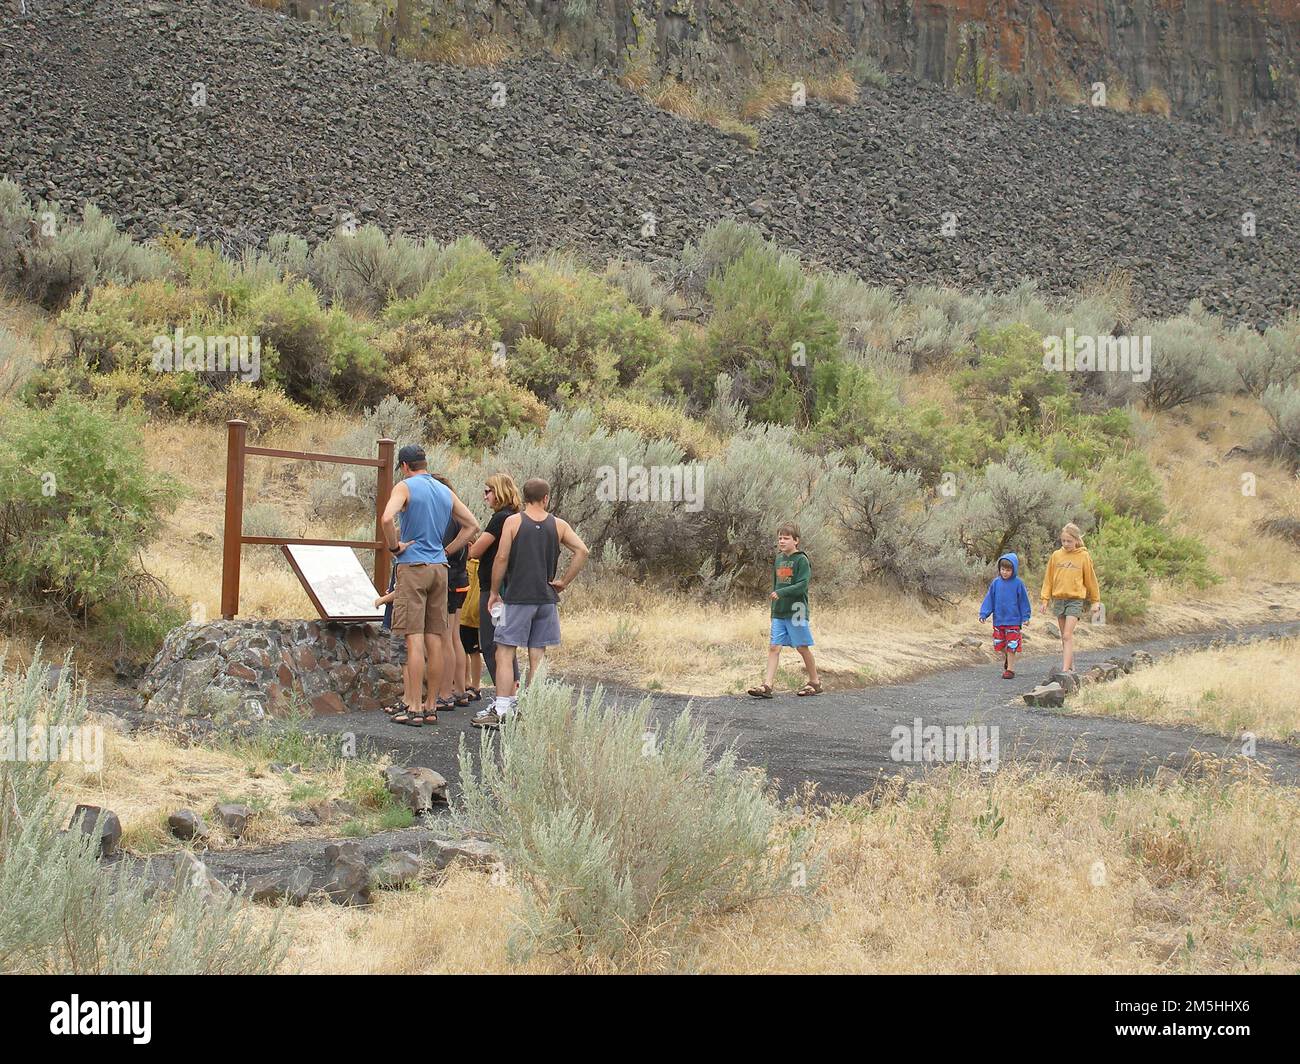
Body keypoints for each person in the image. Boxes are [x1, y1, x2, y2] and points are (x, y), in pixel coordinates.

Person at [474, 477, 589, 728]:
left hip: (515, 599)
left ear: (524, 497)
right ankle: (532, 707)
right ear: (546, 498)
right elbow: (582, 551)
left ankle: (503, 708)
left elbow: (502, 557)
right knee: (537, 655)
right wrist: (564, 582)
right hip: (546, 600)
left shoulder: (513, 522)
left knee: (504, 650)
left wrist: (494, 591)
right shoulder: (559, 525)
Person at [380, 445, 479, 726]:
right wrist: (447, 551)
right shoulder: (443, 490)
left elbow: (387, 518)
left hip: (413, 566)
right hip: (440, 569)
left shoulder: (405, 486)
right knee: (436, 637)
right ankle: (432, 705)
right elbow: (472, 524)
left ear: (404, 466)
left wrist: (394, 546)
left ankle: (413, 707)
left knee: (414, 637)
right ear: (424, 463)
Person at [748, 523, 821, 697]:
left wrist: (781, 592)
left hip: (797, 609)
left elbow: (802, 585)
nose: (782, 541)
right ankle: (767, 685)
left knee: (802, 647)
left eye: (786, 538)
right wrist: (774, 608)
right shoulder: (779, 559)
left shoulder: (801, 560)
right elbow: (776, 584)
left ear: (796, 541)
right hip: (779, 611)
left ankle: (815, 682)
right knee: (774, 647)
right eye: (780, 538)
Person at [467, 473, 522, 689]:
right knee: (506, 643)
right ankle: (510, 694)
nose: (485, 497)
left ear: (498, 492)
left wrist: (467, 545)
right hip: (510, 587)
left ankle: (503, 698)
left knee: (491, 644)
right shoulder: (516, 516)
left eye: (487, 491)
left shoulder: (500, 519)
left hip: (494, 589)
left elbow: (477, 551)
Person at [431, 473, 475, 713]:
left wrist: (444, 553)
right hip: (461, 579)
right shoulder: (459, 513)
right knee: (455, 636)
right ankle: (460, 690)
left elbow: (443, 546)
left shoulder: (446, 516)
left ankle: (445, 693)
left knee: (445, 637)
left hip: (449, 579)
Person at [1040, 523, 1102, 673]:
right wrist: (1045, 599)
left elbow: (1091, 580)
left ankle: (1065, 670)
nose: (1066, 544)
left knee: (1068, 634)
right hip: (1059, 599)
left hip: (1075, 600)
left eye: (1069, 541)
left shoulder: (1083, 556)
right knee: (1064, 637)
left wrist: (1095, 601)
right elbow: (1048, 579)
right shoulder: (1056, 556)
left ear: (1076, 540)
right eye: (1063, 541)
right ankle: (1071, 668)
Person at [979, 552, 1032, 679]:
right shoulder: (996, 583)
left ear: (1013, 570)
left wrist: (1026, 617)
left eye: (1008, 570)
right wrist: (984, 613)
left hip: (1013, 621)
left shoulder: (1018, 583)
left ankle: (1010, 670)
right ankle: (1008, 658)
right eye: (1002, 569)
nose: (1005, 572)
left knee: (1012, 645)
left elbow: (1024, 601)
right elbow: (989, 599)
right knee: (1000, 645)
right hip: (999, 621)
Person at [459, 554, 484, 701]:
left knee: (473, 651)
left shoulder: (474, 565)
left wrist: (472, 613)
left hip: (469, 615)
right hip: (464, 614)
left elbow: (476, 592)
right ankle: (465, 682)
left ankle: (475, 685)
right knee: (463, 649)